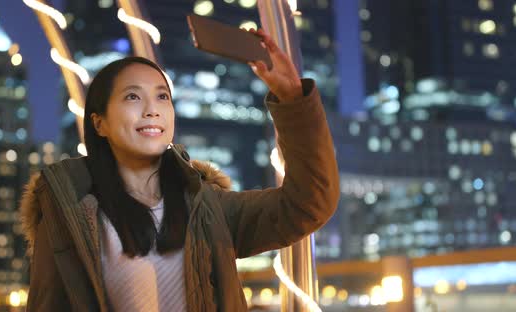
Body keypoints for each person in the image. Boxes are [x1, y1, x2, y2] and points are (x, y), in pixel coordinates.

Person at [20, 29, 339, 312]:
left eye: (163, 97)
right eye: (133, 96)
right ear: (99, 123)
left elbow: (308, 204)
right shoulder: (71, 217)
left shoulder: (209, 209)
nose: (152, 109)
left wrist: (294, 99)